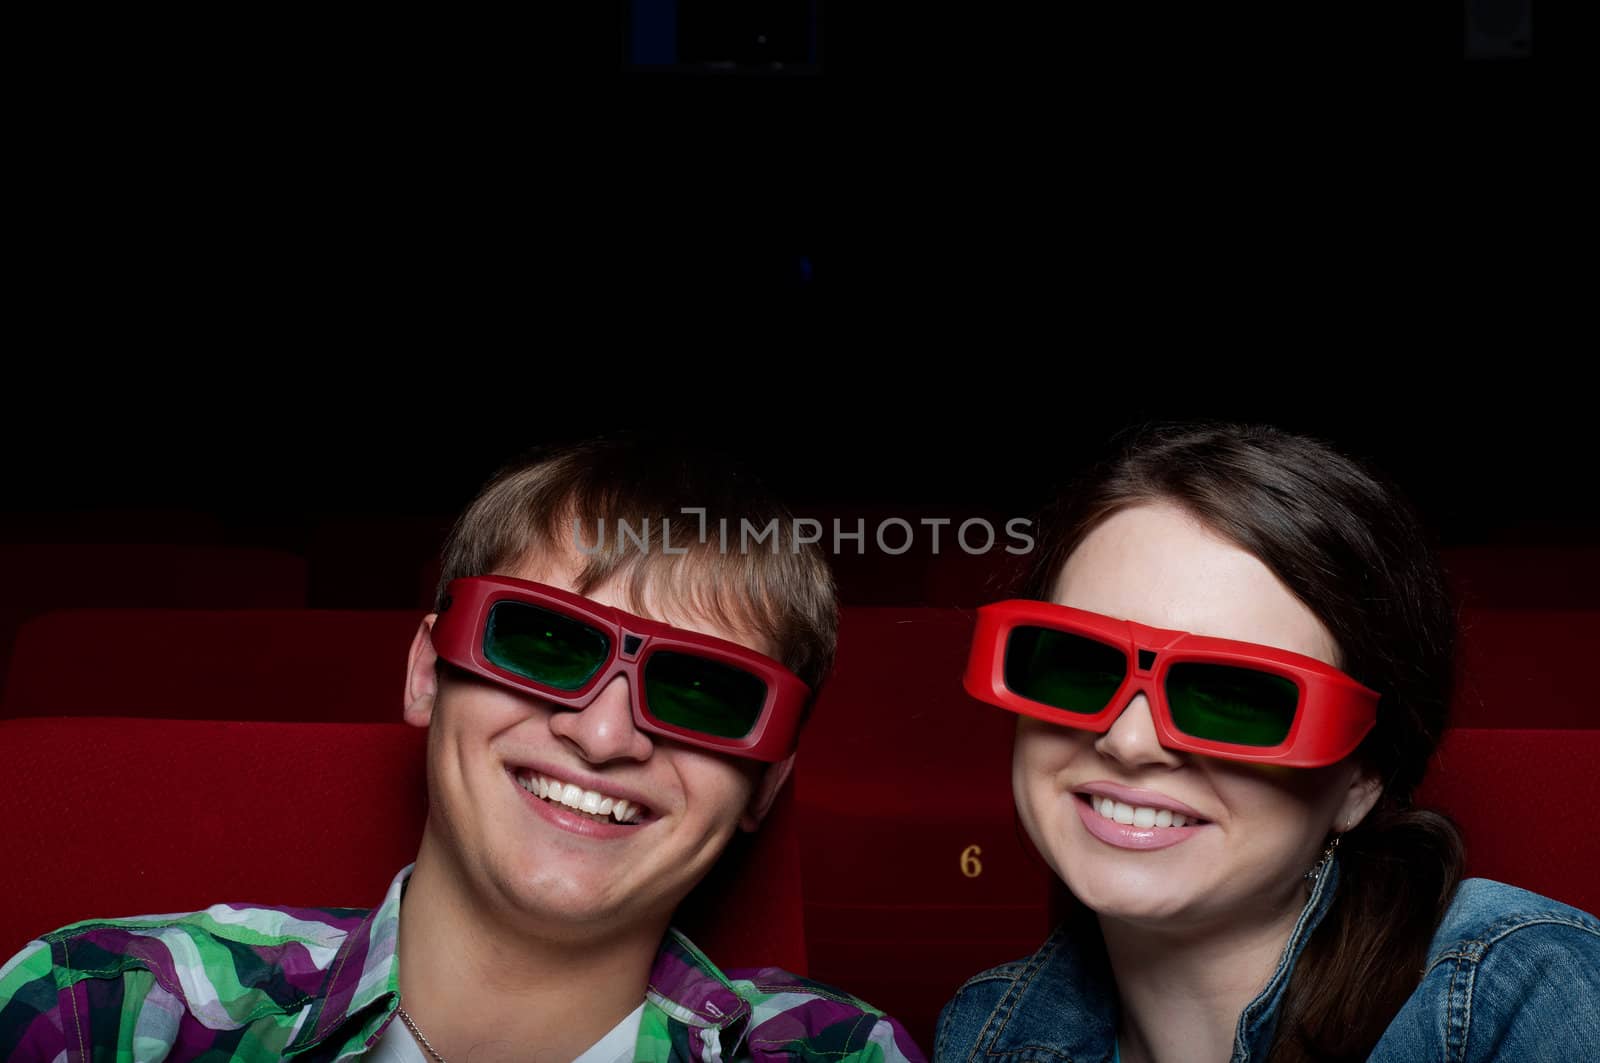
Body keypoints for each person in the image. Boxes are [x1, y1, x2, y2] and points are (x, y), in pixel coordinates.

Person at [0, 436, 926, 1062]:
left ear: (767, 782)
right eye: (545, 642)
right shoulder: (109, 1012)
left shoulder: (841, 1053)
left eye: (705, 691)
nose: (604, 735)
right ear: (425, 674)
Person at [937, 421, 1600, 1063]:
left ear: (1361, 778)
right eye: (1080, 664)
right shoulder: (987, 1030)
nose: (1129, 739)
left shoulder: (1514, 997)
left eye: (1235, 699)